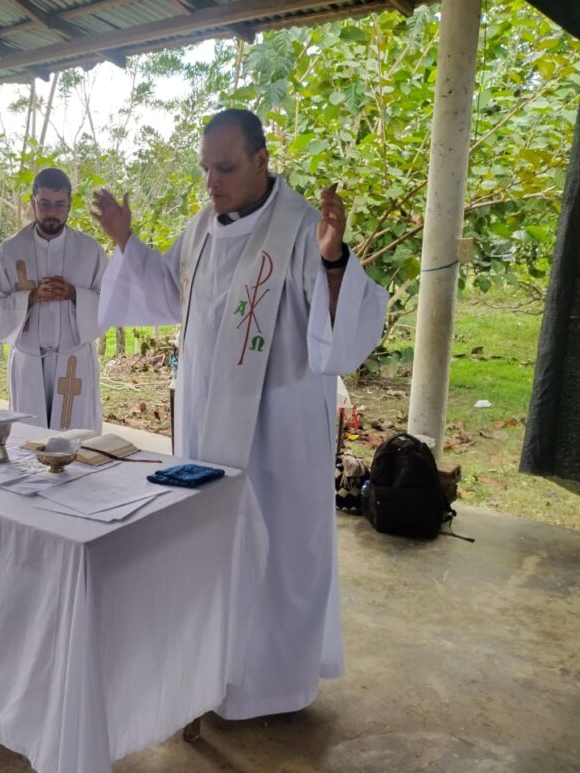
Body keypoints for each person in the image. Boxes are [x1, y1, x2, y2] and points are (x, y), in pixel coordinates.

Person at [91, 109, 388, 719]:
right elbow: (167, 292)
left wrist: (334, 261)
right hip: (205, 419)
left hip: (278, 430)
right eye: (205, 169)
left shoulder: (303, 228)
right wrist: (127, 241)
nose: (211, 182)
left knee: (276, 548)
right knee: (211, 543)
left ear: (261, 161)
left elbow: (340, 335)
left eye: (224, 168)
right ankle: (211, 674)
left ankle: (273, 684)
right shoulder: (203, 227)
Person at [0, 168, 107, 431]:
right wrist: (30, 297)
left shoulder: (90, 250)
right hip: (30, 360)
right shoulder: (11, 250)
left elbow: (110, 302)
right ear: (32, 203)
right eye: (45, 204)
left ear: (70, 204)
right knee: (30, 441)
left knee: (75, 442)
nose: (52, 213)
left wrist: (75, 295)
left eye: (60, 205)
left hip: (73, 359)